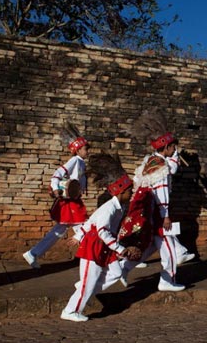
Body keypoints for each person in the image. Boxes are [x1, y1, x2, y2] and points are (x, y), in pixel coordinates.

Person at [118, 109, 195, 292]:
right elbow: (162, 191)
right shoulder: (160, 166)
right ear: (166, 148)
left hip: (149, 209)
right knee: (168, 247)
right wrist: (165, 214)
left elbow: (172, 169)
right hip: (157, 210)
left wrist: (174, 154)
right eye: (173, 147)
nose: (175, 150)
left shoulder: (152, 160)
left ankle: (124, 267)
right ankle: (167, 279)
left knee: (151, 245)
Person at [61, 153, 142, 322]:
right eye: (130, 191)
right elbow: (102, 231)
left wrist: (78, 235)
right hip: (95, 246)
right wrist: (120, 249)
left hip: (105, 246)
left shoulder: (118, 207)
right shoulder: (110, 209)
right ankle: (70, 310)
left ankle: (85, 287)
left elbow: (92, 220)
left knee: (116, 272)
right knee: (89, 282)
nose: (132, 194)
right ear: (121, 191)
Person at [23, 122, 90, 269]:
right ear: (78, 150)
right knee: (84, 228)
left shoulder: (81, 162)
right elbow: (57, 174)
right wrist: (55, 188)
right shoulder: (75, 160)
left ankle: (33, 253)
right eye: (85, 148)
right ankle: (95, 259)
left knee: (59, 231)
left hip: (74, 201)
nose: (87, 151)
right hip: (71, 203)